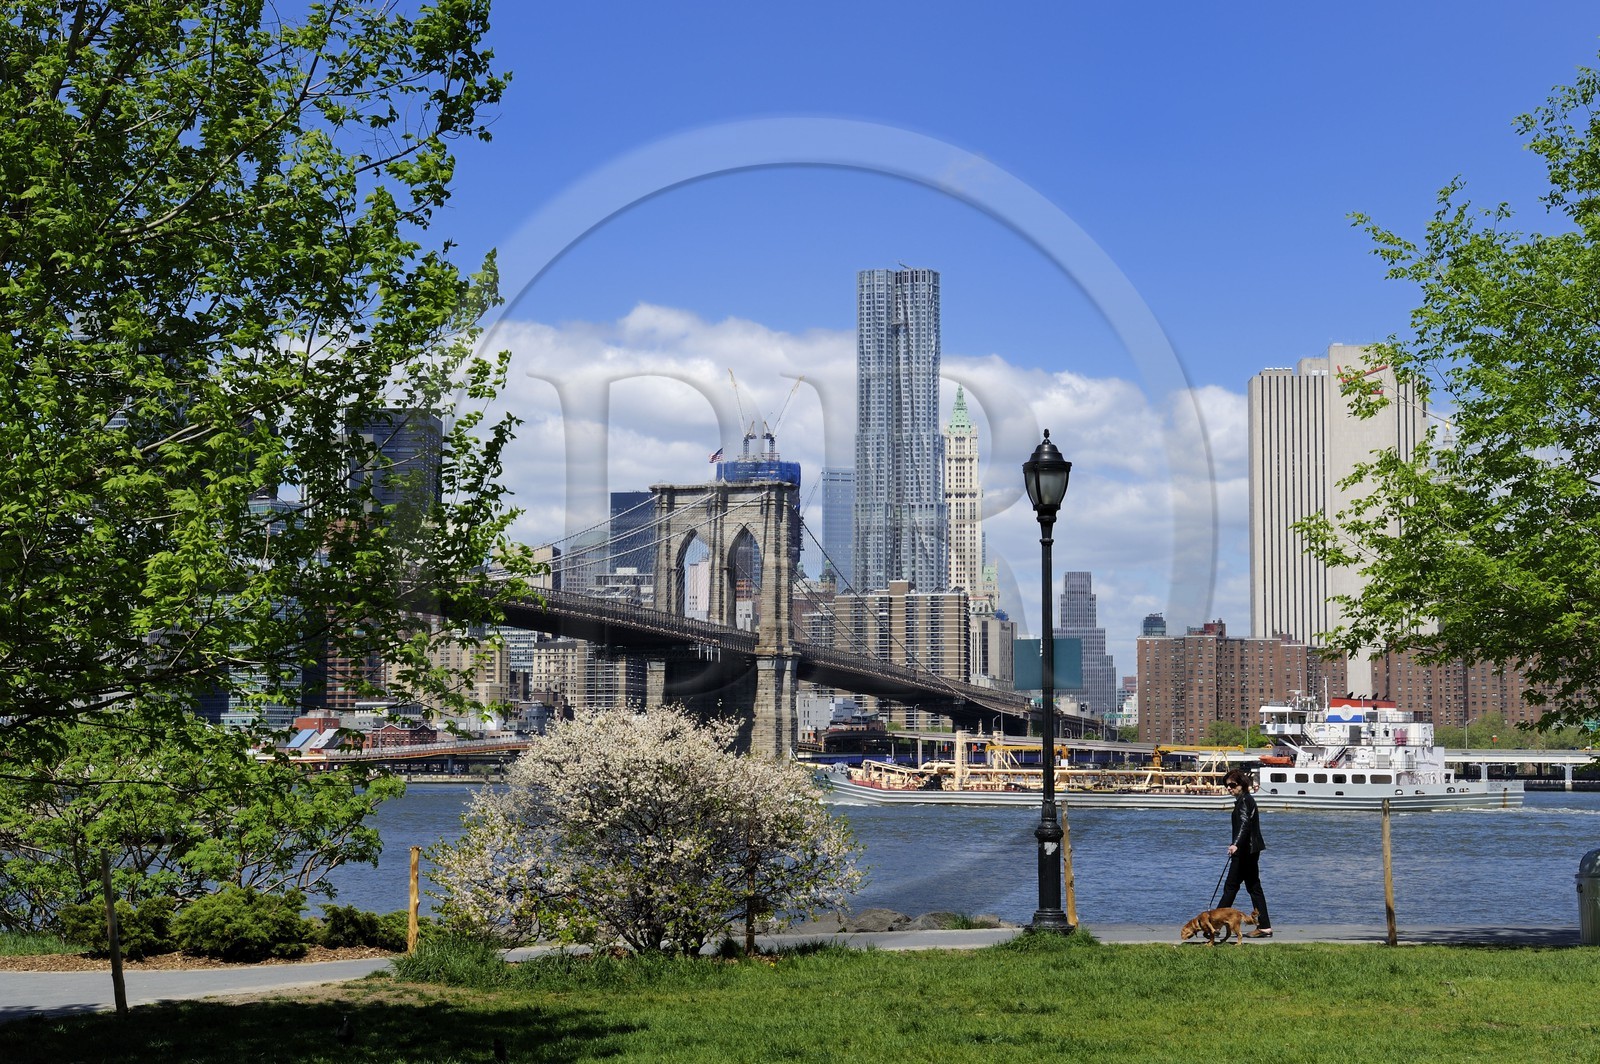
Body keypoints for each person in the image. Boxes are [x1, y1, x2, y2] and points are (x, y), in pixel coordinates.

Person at [1220, 767, 1272, 937]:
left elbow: (1244, 824)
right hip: (1252, 850)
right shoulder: (1247, 799)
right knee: (1254, 888)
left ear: (1242, 785)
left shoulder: (1243, 801)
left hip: (1243, 852)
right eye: (1226, 785)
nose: (1229, 788)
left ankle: (1214, 924)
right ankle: (1264, 926)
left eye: (1232, 785)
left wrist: (1235, 844)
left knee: (1230, 887)